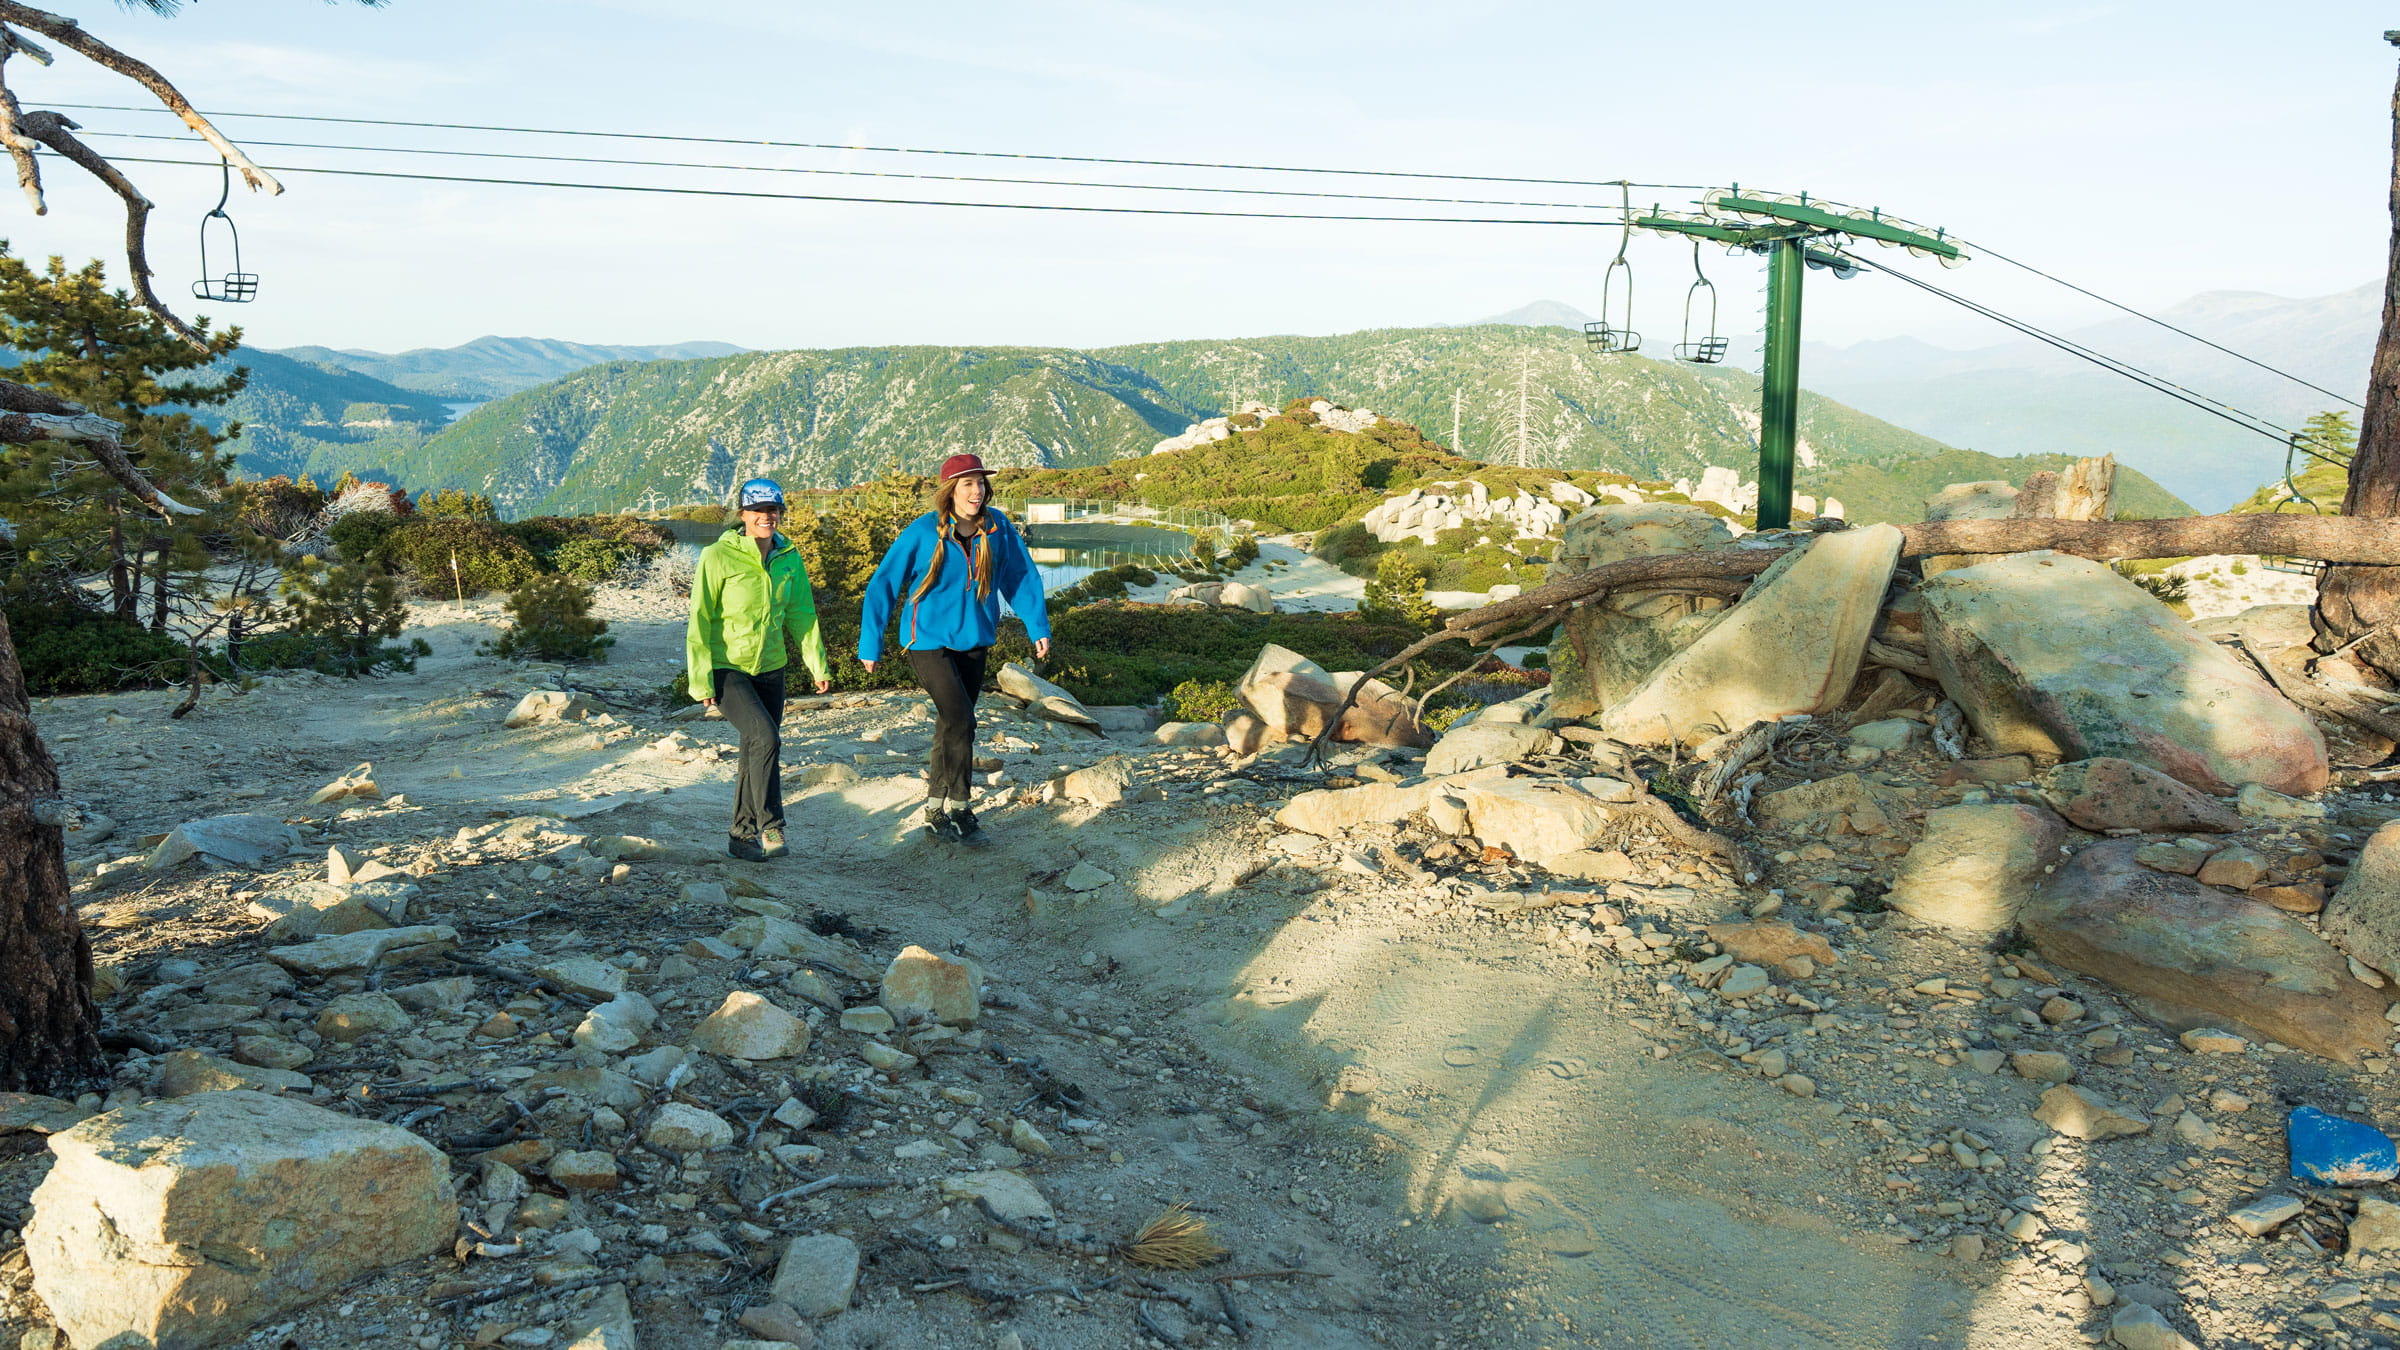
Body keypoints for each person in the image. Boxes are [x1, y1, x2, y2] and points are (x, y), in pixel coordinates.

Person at [858, 454, 1050, 841]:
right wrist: (870, 643)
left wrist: (1036, 625)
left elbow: (1020, 576)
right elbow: (883, 584)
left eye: (980, 483)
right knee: (962, 720)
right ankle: (961, 807)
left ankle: (933, 809)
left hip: (975, 639)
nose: (977, 491)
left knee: (950, 724)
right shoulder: (923, 531)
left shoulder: (998, 528)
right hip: (926, 640)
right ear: (950, 491)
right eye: (968, 484)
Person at [685, 478, 831, 860]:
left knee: (755, 747)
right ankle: (772, 826)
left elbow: (801, 613)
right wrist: (700, 679)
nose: (767, 516)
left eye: (773, 510)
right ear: (743, 515)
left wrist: (816, 663)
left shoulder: (788, 556)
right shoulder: (717, 556)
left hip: (771, 667)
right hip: (726, 666)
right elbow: (700, 618)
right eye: (758, 510)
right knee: (766, 738)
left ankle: (740, 835)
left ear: (780, 513)